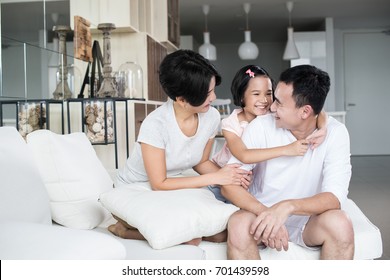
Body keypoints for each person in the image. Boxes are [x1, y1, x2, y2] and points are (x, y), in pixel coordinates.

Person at [108, 49, 250, 244]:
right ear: (182, 100)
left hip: (169, 189)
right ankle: (123, 231)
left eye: (213, 89)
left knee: (220, 234)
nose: (214, 97)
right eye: (207, 93)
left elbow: (200, 161)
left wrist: (229, 176)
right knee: (190, 238)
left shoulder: (211, 116)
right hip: (135, 191)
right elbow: (159, 184)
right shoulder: (156, 124)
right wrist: (215, 177)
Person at [220, 64, 354, 259]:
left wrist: (287, 207)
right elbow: (228, 186)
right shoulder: (261, 126)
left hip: (308, 220)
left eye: (279, 103)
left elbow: (334, 197)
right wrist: (268, 214)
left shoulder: (335, 133)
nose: (271, 107)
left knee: (341, 224)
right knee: (239, 224)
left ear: (305, 112)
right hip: (261, 215)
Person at [209, 65, 328, 202]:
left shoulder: (274, 114)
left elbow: (316, 110)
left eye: (268, 93)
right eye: (256, 94)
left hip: (248, 181)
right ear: (242, 96)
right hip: (223, 180)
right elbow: (244, 155)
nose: (264, 100)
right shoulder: (231, 124)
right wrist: (287, 150)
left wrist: (323, 127)